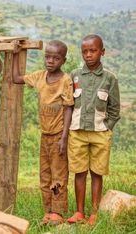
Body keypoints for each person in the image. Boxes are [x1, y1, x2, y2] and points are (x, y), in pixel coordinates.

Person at [12, 40, 74, 225]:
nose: (50, 61)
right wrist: (15, 54)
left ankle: (58, 212)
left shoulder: (65, 80)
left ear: (63, 60)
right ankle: (47, 210)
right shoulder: (40, 77)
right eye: (47, 56)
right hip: (44, 135)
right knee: (45, 175)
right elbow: (16, 78)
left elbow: (69, 108)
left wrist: (64, 137)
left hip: (58, 136)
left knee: (59, 174)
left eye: (56, 58)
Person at [67, 34, 120, 226]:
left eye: (93, 50)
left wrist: (107, 128)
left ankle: (94, 213)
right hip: (77, 132)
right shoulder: (74, 75)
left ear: (102, 52)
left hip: (100, 133)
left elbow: (114, 109)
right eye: (85, 51)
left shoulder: (110, 78)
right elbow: (69, 104)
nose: (88, 55)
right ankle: (79, 211)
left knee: (97, 172)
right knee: (79, 172)